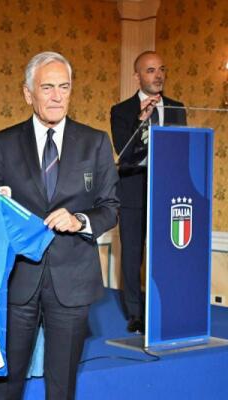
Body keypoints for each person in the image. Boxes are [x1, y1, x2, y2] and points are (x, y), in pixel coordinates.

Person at [0, 51, 119, 399]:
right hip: (17, 279)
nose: (57, 96)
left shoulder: (96, 142)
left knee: (62, 385)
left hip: (72, 280)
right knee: (5, 383)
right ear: (28, 93)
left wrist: (80, 220)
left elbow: (110, 208)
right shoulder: (3, 142)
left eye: (64, 87)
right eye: (47, 88)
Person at [111, 51, 187, 333]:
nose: (159, 75)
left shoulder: (177, 108)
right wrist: (140, 121)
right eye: (151, 70)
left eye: (162, 69)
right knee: (132, 255)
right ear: (137, 76)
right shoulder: (122, 111)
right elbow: (124, 151)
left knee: (166, 252)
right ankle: (135, 314)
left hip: (168, 193)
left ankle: (165, 306)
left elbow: (182, 150)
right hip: (133, 192)